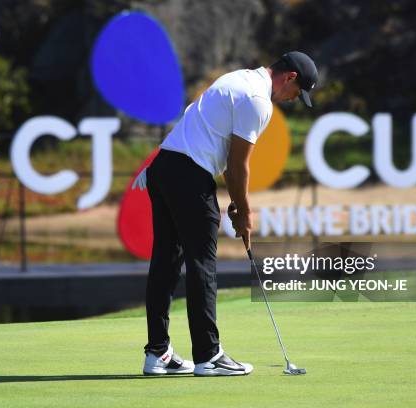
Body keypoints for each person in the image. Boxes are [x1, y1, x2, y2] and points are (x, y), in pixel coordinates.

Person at [133, 51, 318, 376]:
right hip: (189, 174)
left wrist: (235, 203)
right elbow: (237, 165)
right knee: (201, 264)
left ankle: (157, 353)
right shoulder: (258, 100)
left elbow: (208, 137)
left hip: (163, 166)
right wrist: (244, 213)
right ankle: (208, 356)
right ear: (289, 78)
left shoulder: (238, 78)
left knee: (165, 261)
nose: (292, 100)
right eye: (297, 92)